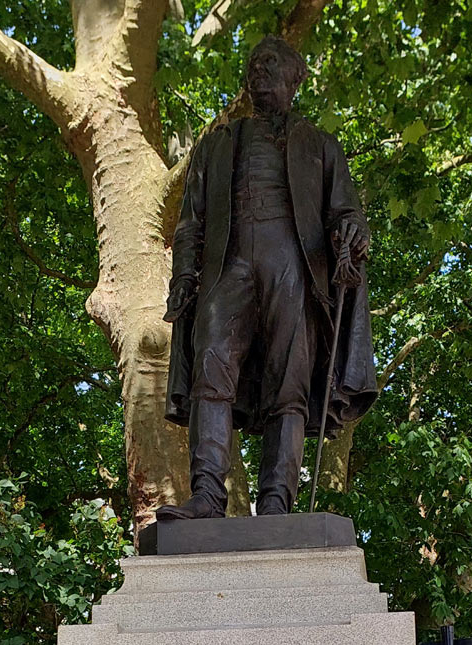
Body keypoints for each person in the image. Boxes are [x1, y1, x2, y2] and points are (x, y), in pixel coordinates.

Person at [158, 35, 377, 521]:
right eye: (253, 65)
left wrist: (351, 233)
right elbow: (190, 222)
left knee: (289, 384)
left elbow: (346, 212)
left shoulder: (320, 145)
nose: (258, 72)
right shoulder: (216, 145)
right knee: (209, 371)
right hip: (226, 268)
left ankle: (278, 501)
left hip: (294, 267)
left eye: (269, 64)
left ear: (295, 78)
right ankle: (208, 495)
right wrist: (183, 276)